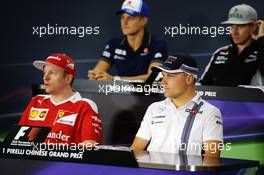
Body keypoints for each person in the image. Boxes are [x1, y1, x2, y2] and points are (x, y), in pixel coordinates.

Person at [131, 55, 223, 157]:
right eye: (163, 75)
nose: (163, 82)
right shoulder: (154, 108)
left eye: (170, 76)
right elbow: (136, 148)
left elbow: (212, 157)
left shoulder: (210, 112)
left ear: (189, 79)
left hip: (186, 173)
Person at [19, 53, 102, 145]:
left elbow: (90, 145)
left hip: (66, 160)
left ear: (67, 78)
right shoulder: (36, 101)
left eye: (52, 73)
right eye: (44, 72)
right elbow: (18, 141)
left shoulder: (84, 106)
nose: (45, 77)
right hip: (32, 159)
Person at [88, 0, 168, 81]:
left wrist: (115, 80)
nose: (124, 22)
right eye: (122, 17)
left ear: (143, 21)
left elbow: (154, 77)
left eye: (130, 18)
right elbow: (98, 70)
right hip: (119, 93)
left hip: (147, 93)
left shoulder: (157, 44)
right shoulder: (114, 43)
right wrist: (95, 75)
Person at [200, 4, 264, 86]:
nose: (234, 32)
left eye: (240, 26)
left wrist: (262, 39)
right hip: (216, 99)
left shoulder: (261, 51)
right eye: (231, 26)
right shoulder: (220, 52)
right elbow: (203, 85)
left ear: (254, 27)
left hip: (250, 99)